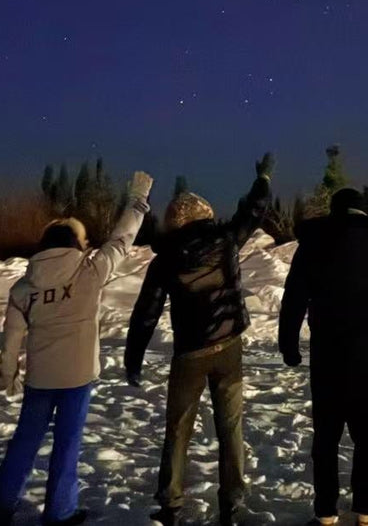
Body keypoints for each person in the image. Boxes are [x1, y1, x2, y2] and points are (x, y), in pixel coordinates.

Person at [0, 171, 152, 526]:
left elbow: (12, 335)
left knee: (25, 441)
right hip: (78, 376)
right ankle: (60, 510)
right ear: (74, 243)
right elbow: (122, 240)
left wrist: (9, 373)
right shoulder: (90, 272)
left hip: (40, 377)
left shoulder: (23, 287)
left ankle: (3, 504)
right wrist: (138, 201)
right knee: (67, 444)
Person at [124, 154, 277, 526]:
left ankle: (171, 502)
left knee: (177, 429)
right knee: (231, 427)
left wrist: (134, 357)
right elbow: (252, 214)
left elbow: (146, 312)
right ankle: (232, 501)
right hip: (228, 347)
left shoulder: (165, 261)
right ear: (204, 214)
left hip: (189, 354)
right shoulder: (224, 241)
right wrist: (264, 180)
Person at [279, 182, 368, 526]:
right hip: (366, 358)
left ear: (334, 210)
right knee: (365, 439)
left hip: (327, 357)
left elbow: (293, 297)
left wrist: (289, 345)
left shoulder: (312, 243)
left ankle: (326, 513)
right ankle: (366, 512)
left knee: (325, 439)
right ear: (361, 211)